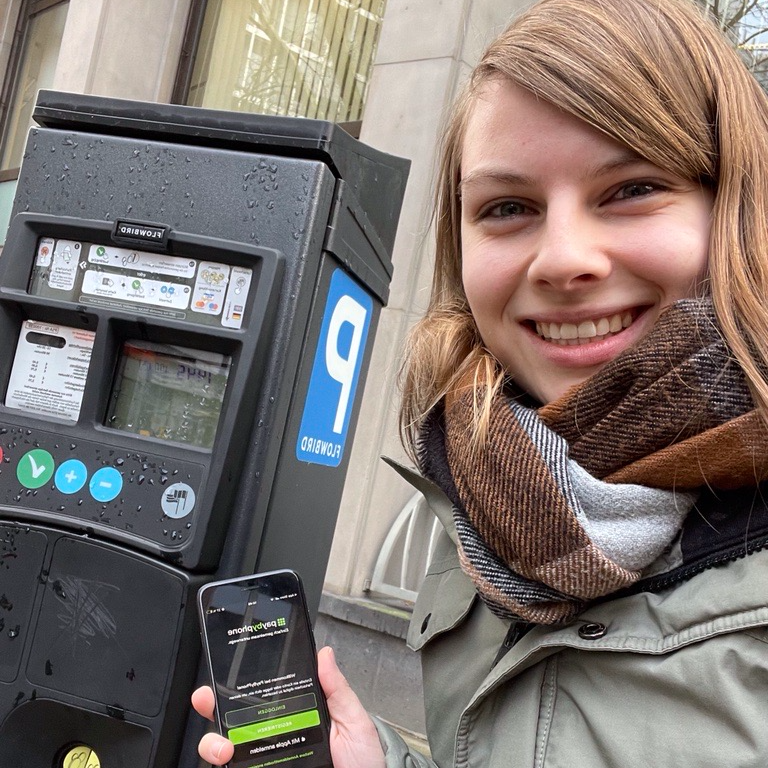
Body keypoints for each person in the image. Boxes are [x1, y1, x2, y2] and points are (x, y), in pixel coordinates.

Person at [194, 0, 768, 764]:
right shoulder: (483, 481)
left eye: (630, 189)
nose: (563, 259)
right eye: (508, 207)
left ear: (736, 208)